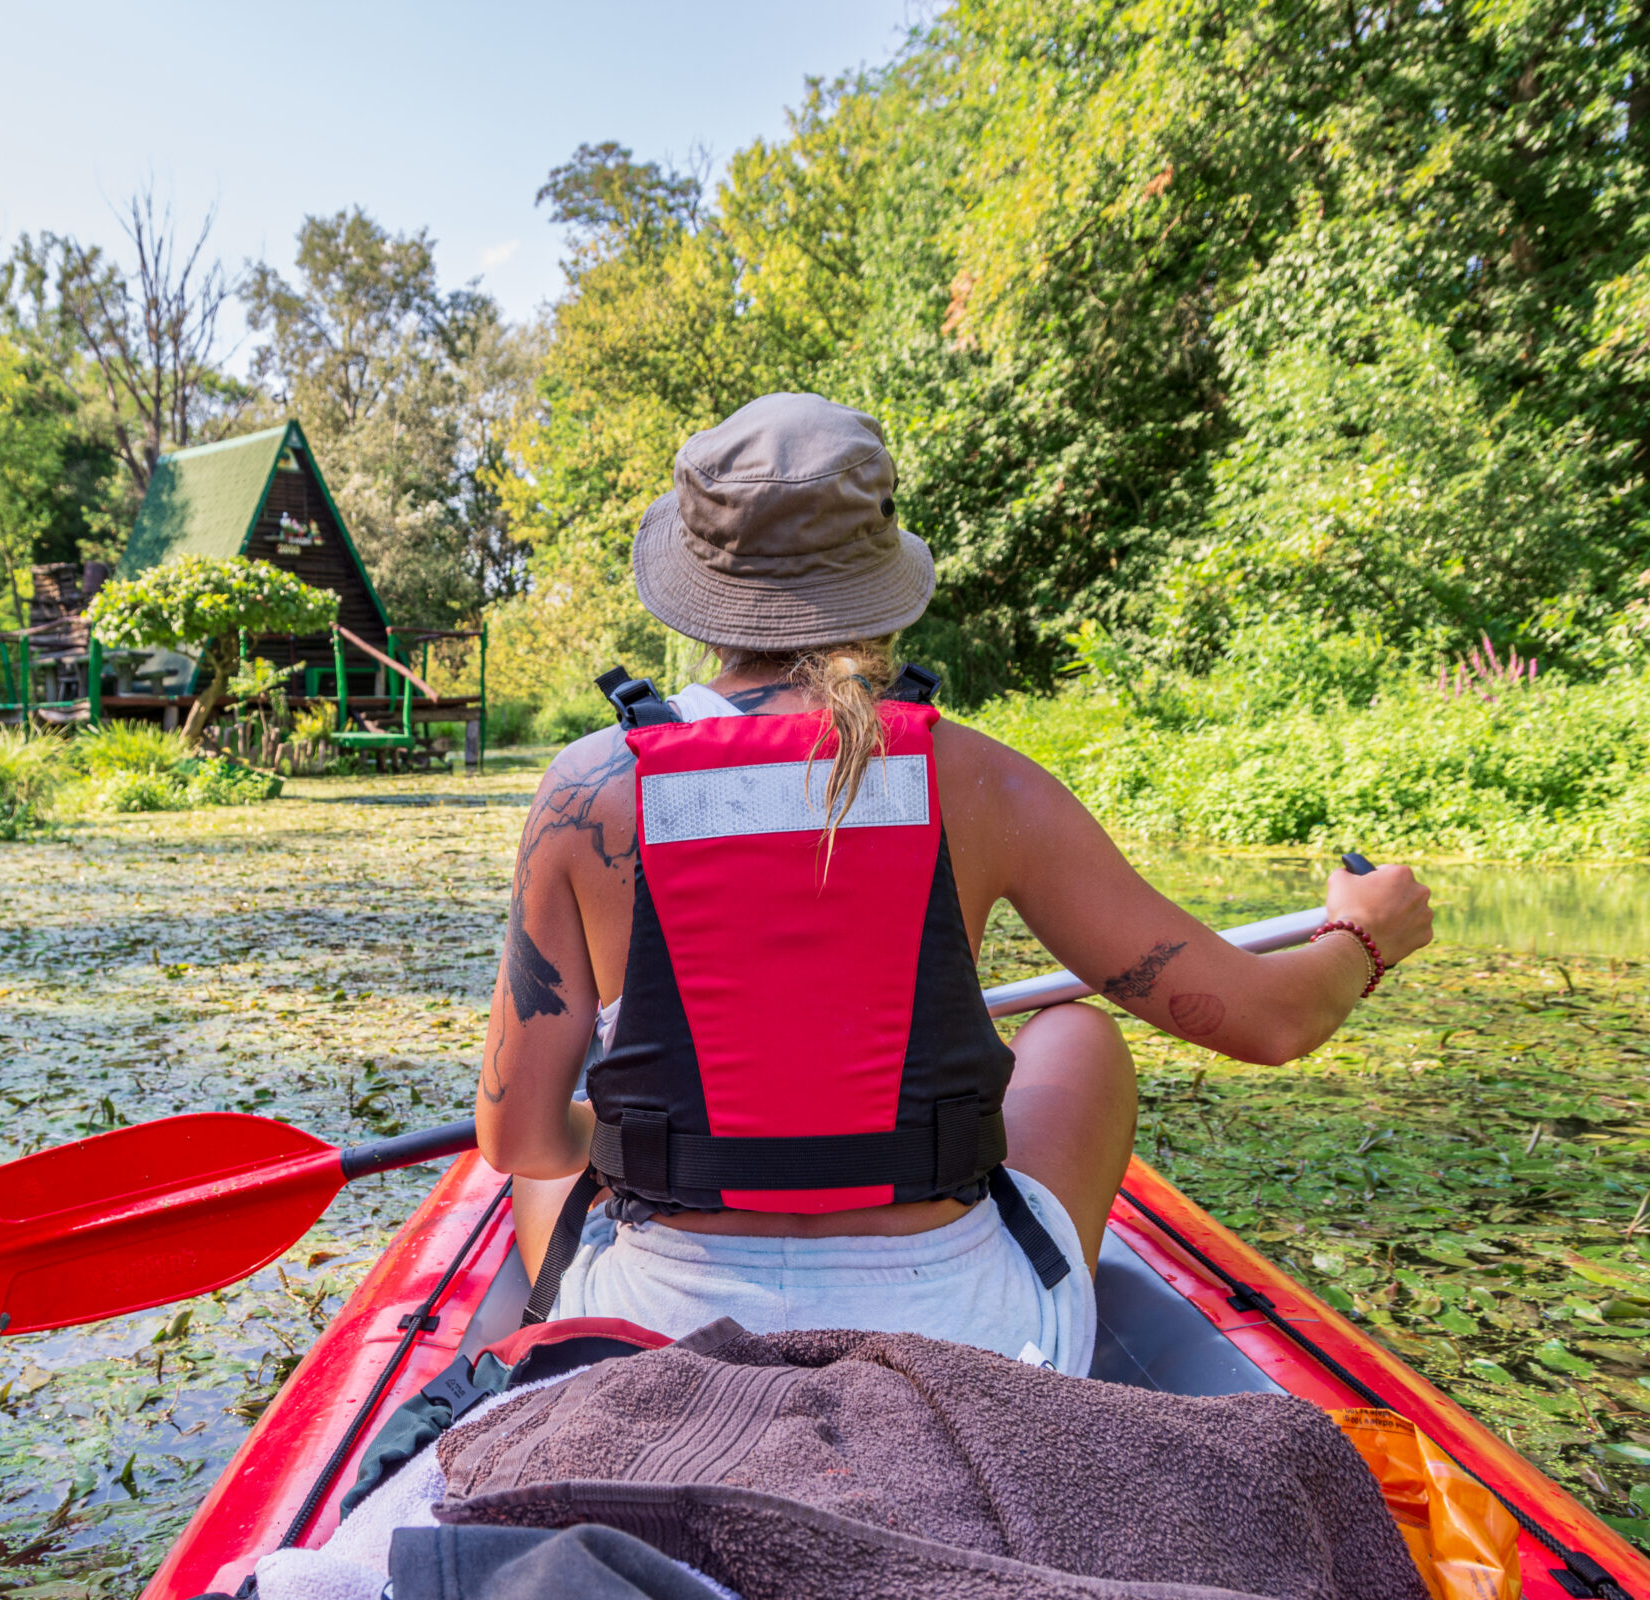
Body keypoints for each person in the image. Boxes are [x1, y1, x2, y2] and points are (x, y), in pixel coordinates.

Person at [474, 392, 1432, 1373]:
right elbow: (1270, 1019)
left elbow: (519, 1139)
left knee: (549, 1138)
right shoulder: (980, 781)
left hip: (669, 1321)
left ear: (700, 591)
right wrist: (1360, 936)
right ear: (884, 579)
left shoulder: (588, 791)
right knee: (1078, 1031)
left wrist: (631, 1122)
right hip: (965, 1335)